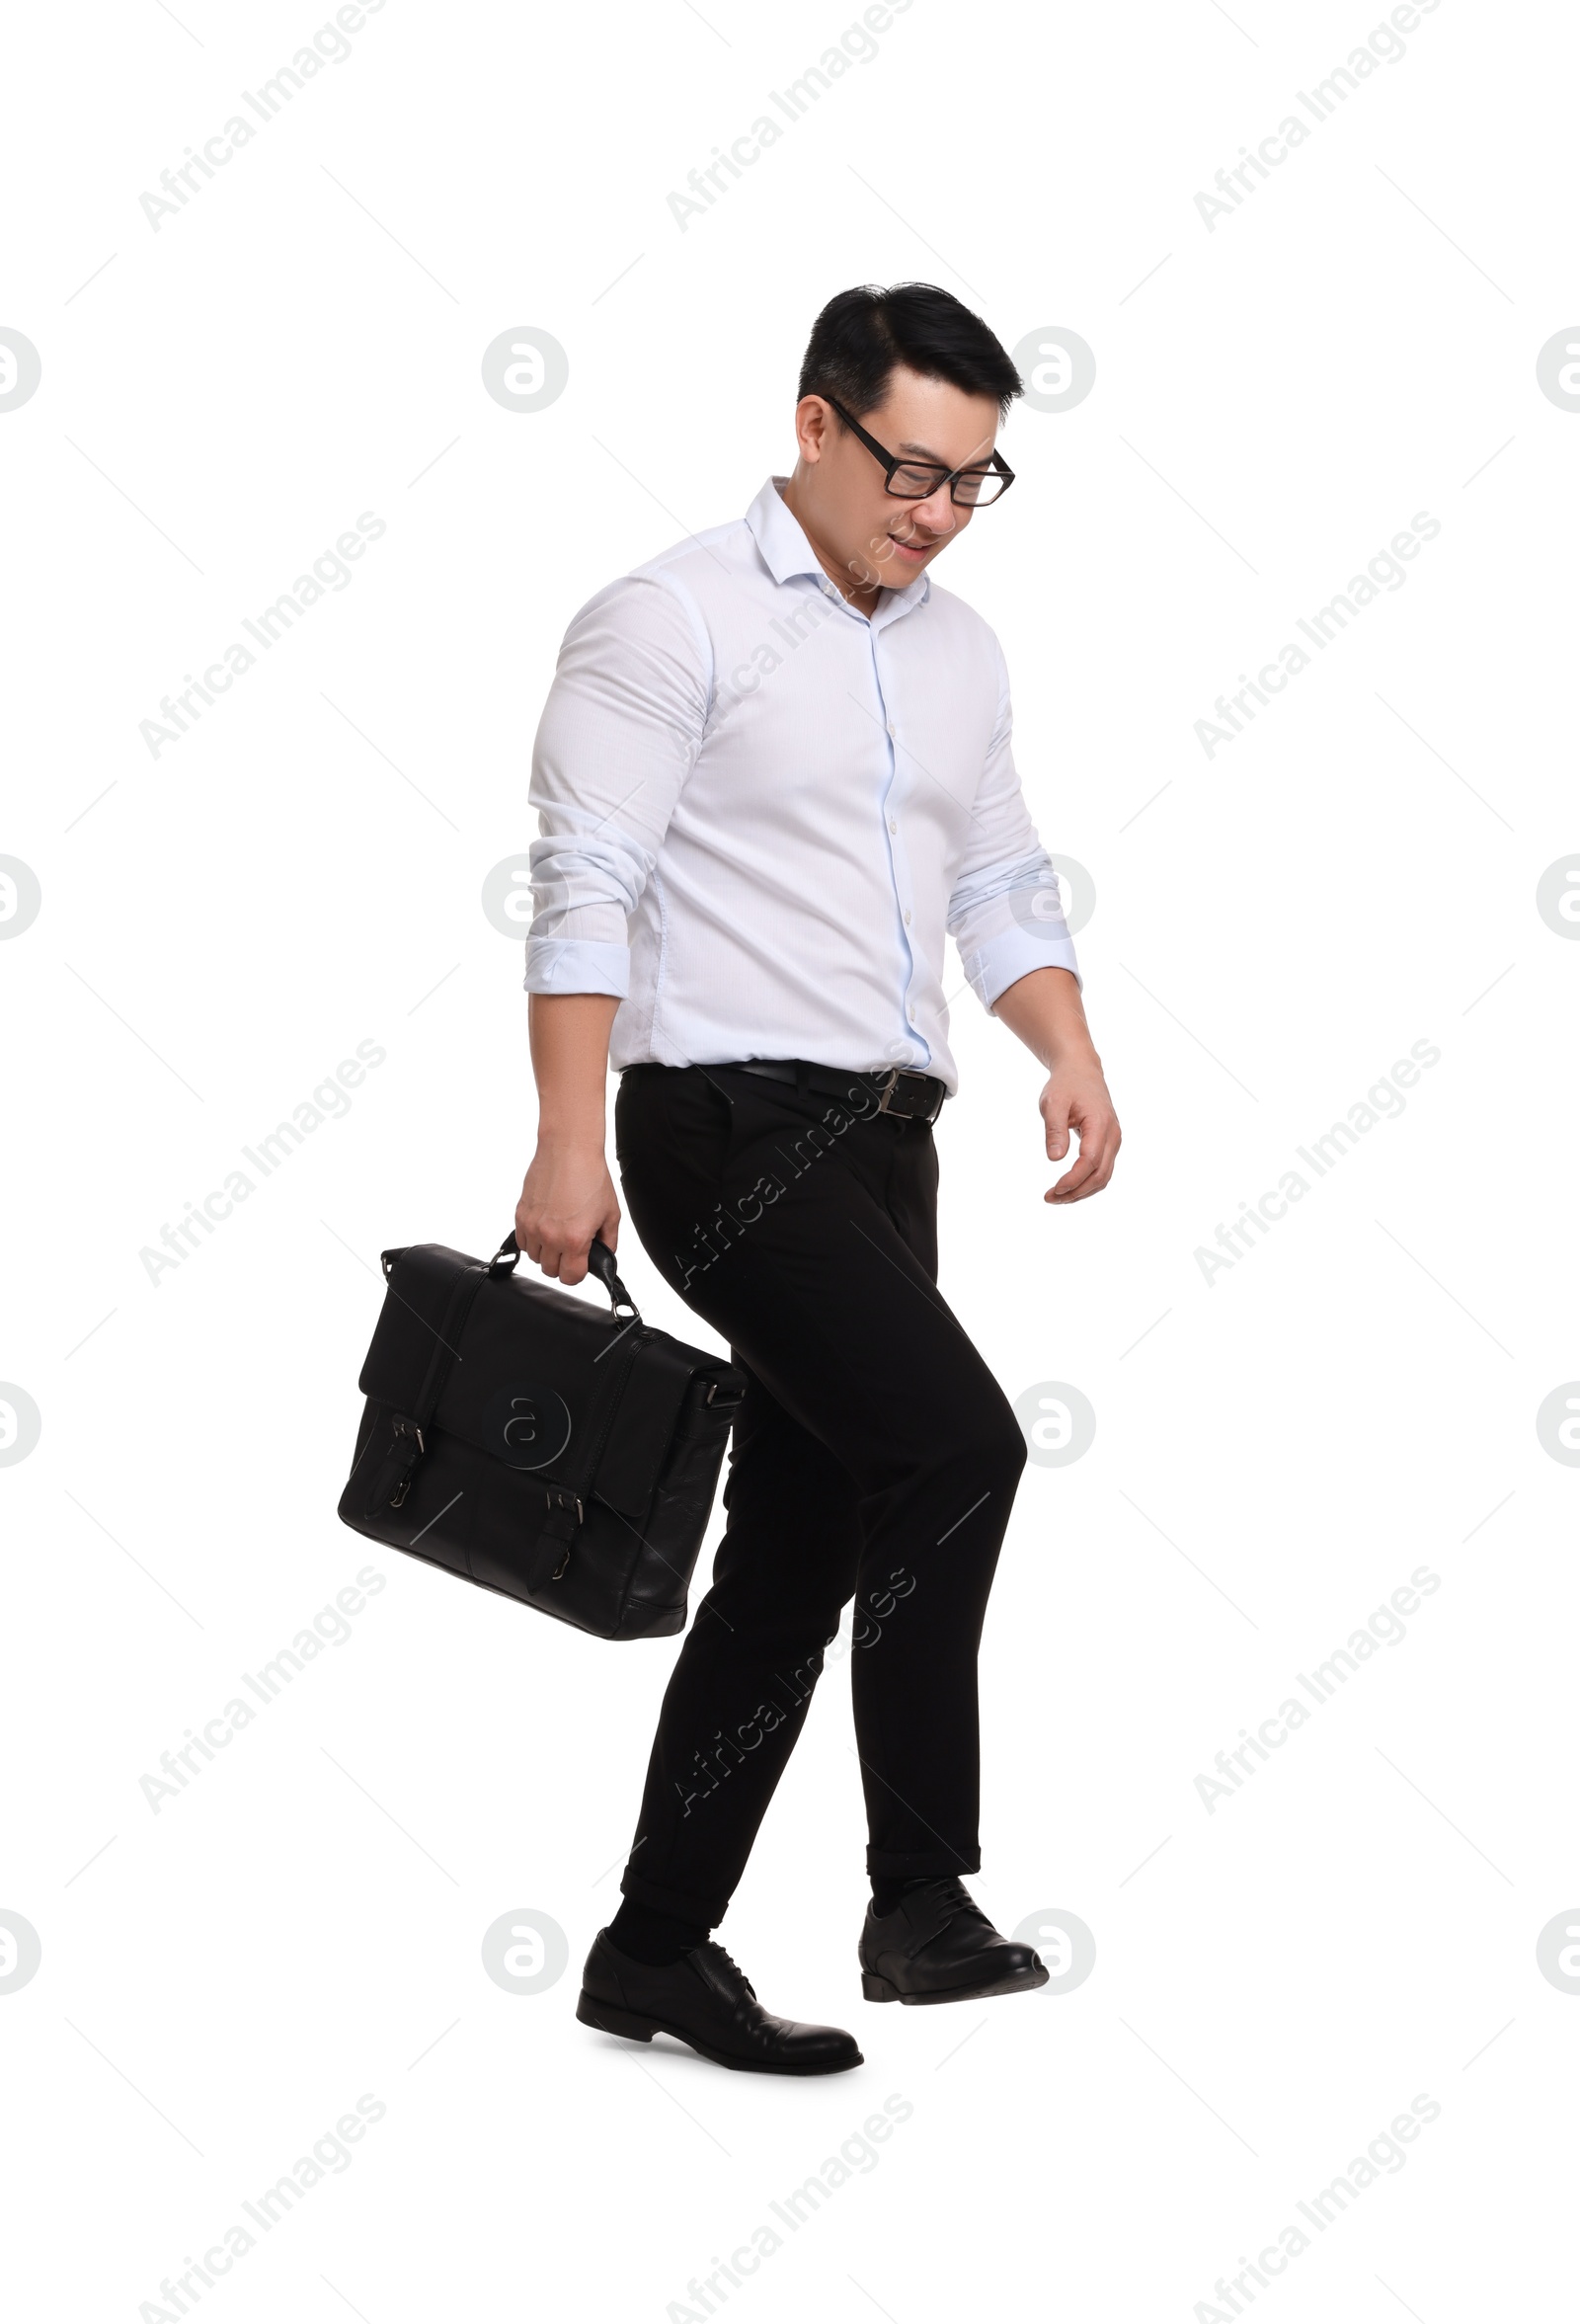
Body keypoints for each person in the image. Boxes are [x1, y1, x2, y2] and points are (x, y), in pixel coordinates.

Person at [514, 281, 1121, 2076]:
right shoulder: (669, 615)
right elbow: (584, 883)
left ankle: (650, 1948)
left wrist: (1064, 1043)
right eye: (912, 468)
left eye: (975, 482)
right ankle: (920, 1898)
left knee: (799, 1544)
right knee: (960, 1446)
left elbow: (1000, 873)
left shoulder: (963, 651)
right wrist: (565, 1137)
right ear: (814, 424)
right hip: (718, 1127)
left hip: (884, 1140)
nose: (935, 511)